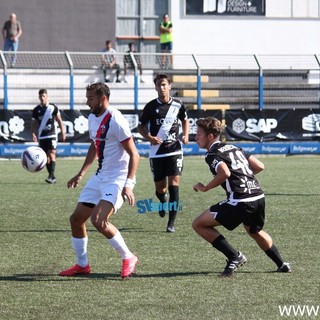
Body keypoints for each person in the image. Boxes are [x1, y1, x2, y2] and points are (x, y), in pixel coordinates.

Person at [192, 117, 291, 277]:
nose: (195, 137)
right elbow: (259, 166)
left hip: (240, 201)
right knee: (254, 231)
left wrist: (205, 188)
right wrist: (242, 177)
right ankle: (282, 264)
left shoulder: (212, 154)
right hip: (258, 196)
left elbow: (224, 172)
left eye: (199, 134)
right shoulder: (233, 147)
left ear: (210, 136)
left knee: (199, 224)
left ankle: (234, 256)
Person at [59, 82, 140, 278]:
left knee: (98, 220)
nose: (87, 103)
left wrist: (128, 184)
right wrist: (81, 173)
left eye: (90, 99)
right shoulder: (93, 118)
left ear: (102, 98)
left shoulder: (116, 120)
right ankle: (82, 265)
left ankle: (128, 257)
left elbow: (135, 155)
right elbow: (95, 146)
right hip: (100, 175)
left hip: (117, 179)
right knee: (76, 219)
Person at [137, 73, 189, 233]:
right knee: (161, 189)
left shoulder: (178, 105)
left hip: (174, 151)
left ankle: (171, 223)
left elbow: (185, 119)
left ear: (169, 86)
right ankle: (162, 200)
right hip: (157, 153)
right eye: (159, 85)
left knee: (174, 186)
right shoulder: (151, 106)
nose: (162, 87)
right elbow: (140, 127)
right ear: (155, 87)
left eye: (164, 84)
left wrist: (185, 135)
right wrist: (149, 137)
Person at [31, 89, 66, 184]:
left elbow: (59, 120)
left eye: (43, 96)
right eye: (40, 96)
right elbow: (34, 123)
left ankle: (51, 175)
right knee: (45, 157)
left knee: (52, 154)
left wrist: (63, 132)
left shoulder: (53, 107)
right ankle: (52, 176)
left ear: (47, 96)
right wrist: (33, 133)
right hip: (42, 136)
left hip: (52, 134)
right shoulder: (36, 110)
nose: (42, 98)